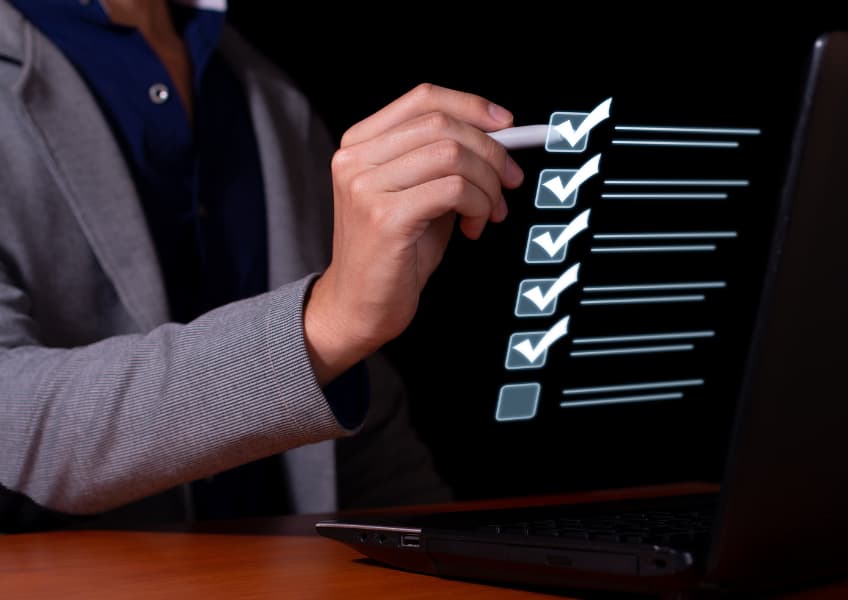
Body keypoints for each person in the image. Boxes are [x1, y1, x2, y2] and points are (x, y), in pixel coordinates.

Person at [0, 0, 525, 532]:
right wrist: (325, 323)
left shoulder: (265, 93)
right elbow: (13, 419)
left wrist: (461, 561)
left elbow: (360, 431)